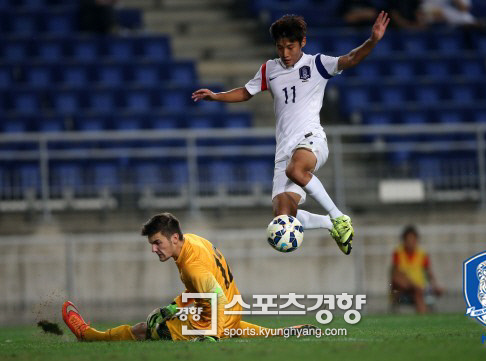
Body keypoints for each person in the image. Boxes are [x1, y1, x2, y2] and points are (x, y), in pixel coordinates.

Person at [192, 12, 391, 255]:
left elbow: (350, 58)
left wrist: (372, 40)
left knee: (296, 170)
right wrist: (216, 96)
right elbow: (245, 92)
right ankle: (331, 225)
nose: (285, 53)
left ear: (302, 43)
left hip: (311, 138)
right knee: (283, 215)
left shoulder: (317, 64)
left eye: (290, 47)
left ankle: (339, 217)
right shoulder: (269, 69)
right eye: (280, 47)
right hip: (283, 149)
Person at [62, 213, 315, 342]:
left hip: (216, 316)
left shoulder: (191, 265)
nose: (154, 249)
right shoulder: (193, 241)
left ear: (173, 238)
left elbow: (213, 295)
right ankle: (284, 333)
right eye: (151, 244)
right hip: (233, 311)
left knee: (146, 330)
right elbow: (204, 288)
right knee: (233, 329)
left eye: (157, 242)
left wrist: (211, 334)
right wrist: (174, 306)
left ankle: (88, 335)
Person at [390, 225, 442, 314]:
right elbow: (395, 272)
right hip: (403, 287)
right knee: (397, 277)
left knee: (417, 292)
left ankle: (423, 317)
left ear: (417, 240)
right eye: (408, 240)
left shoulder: (422, 253)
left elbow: (429, 272)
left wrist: (435, 285)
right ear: (404, 240)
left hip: (418, 288)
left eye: (413, 239)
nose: (410, 242)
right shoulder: (398, 252)